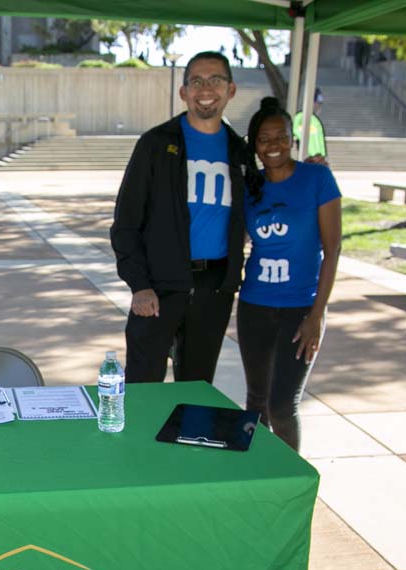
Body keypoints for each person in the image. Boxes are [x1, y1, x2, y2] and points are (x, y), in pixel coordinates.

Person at [111, 51, 250, 383]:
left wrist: (305, 170)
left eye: (215, 80)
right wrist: (139, 285)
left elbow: (265, 196)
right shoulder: (156, 144)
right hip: (158, 286)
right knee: (144, 385)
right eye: (196, 81)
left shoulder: (239, 151)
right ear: (183, 92)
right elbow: (126, 221)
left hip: (213, 288)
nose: (206, 88)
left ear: (230, 89)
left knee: (196, 386)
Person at [239, 97, 342, 452]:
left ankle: (289, 480)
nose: (273, 146)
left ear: (292, 139)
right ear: (254, 145)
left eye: (280, 137)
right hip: (254, 305)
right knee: (256, 401)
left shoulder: (317, 178)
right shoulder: (250, 187)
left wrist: (316, 314)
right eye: (264, 139)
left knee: (282, 405)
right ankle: (253, 479)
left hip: (300, 307)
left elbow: (333, 250)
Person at [292, 88, 327, 162]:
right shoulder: (300, 116)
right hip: (308, 157)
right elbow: (294, 129)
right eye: (318, 104)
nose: (318, 107)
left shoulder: (315, 120)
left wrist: (323, 156)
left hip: (319, 158)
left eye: (320, 104)